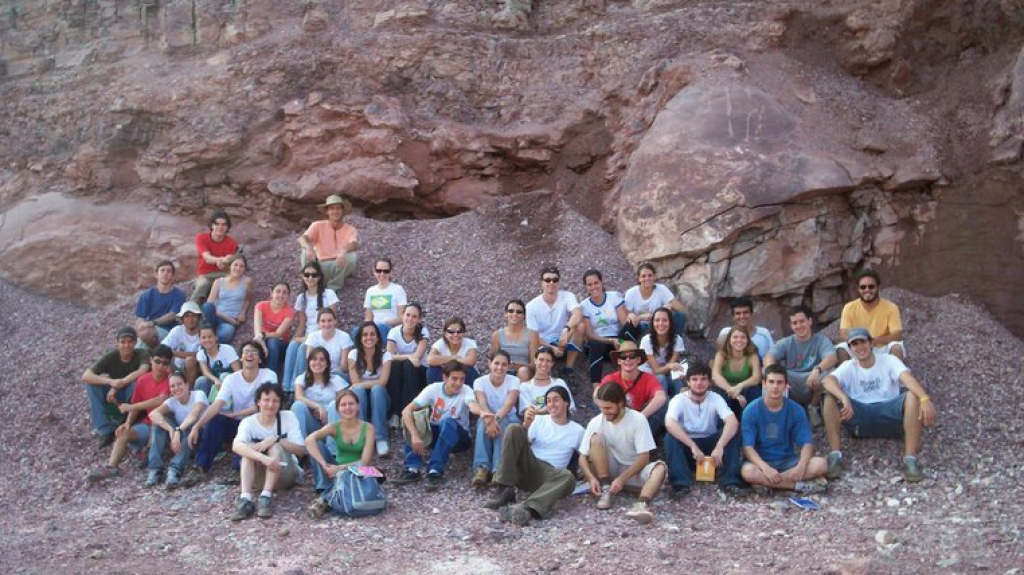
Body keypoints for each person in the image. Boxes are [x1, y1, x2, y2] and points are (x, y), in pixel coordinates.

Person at [820, 328, 937, 483]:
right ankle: (835, 456)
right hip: (860, 416)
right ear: (850, 349)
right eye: (854, 344)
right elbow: (827, 381)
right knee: (829, 397)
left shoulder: (889, 360)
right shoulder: (849, 365)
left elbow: (907, 378)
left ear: (871, 343)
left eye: (863, 342)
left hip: (888, 412)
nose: (860, 347)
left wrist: (924, 398)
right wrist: (844, 398)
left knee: (912, 396)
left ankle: (910, 459)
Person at [484, 386, 584, 526]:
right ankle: (504, 489)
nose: (551, 404)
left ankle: (526, 508)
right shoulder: (540, 420)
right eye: (548, 401)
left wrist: (592, 478)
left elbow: (585, 457)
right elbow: (520, 443)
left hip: (551, 476)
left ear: (566, 402)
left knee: (568, 477)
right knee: (514, 429)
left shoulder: (577, 430)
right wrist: (526, 425)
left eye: (556, 400)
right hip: (530, 465)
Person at [185, 341, 279, 486]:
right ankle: (200, 467)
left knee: (247, 425)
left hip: (259, 424)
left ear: (260, 359)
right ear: (240, 357)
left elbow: (266, 405)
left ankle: (238, 469)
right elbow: (217, 404)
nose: (249, 354)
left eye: (254, 352)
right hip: (237, 423)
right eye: (246, 351)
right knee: (216, 419)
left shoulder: (269, 375)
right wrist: (197, 426)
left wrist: (237, 414)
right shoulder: (231, 379)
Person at [393, 361, 494, 491]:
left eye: (462, 379)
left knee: (448, 421)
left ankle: (435, 469)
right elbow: (406, 411)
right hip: (436, 433)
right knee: (417, 419)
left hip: (459, 438)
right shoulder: (433, 388)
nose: (458, 383)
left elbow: (472, 405)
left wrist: (482, 412)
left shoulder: (466, 390)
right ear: (445, 378)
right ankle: (412, 468)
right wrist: (414, 435)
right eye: (454, 378)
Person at [579, 382, 666, 524]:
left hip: (633, 471)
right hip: (607, 470)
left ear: (620, 403)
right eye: (601, 407)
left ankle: (640, 505)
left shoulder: (638, 419)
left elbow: (644, 457)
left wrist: (622, 479)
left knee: (660, 468)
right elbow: (582, 457)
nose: (604, 411)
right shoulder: (596, 421)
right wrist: (590, 478)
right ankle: (606, 489)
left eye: (608, 408)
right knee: (595, 438)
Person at [86, 345, 172, 486]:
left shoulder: (171, 380)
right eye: (157, 361)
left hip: (165, 425)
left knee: (156, 426)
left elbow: (161, 400)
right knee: (123, 432)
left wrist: (131, 407)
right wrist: (128, 423)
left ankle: (152, 464)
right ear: (151, 360)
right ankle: (111, 467)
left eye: (165, 363)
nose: (160, 366)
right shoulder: (143, 380)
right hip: (146, 424)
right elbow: (136, 403)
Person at [740, 365, 829, 494]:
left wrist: (801, 465)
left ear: (786, 385)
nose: (775, 387)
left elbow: (806, 444)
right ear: (764, 384)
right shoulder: (751, 410)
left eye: (779, 382)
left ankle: (769, 484)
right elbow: (747, 447)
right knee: (747, 472)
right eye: (771, 382)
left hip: (788, 461)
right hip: (761, 462)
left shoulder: (796, 410)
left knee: (820, 464)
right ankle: (798, 486)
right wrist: (765, 468)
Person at [663, 362, 748, 497]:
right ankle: (680, 485)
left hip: (711, 445)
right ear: (688, 382)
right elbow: (669, 423)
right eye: (694, 379)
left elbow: (732, 421)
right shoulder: (678, 400)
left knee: (733, 431)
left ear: (709, 382)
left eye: (703, 379)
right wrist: (692, 446)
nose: (699, 383)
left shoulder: (715, 398)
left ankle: (731, 482)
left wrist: (720, 446)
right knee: (670, 436)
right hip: (688, 447)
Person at [229, 383, 306, 521]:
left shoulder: (288, 417)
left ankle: (266, 496)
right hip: (258, 477)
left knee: (274, 447)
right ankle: (245, 498)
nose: (270, 405)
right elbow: (236, 446)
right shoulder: (248, 422)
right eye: (266, 400)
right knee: (248, 451)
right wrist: (262, 457)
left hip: (285, 473)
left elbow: (301, 451)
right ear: (258, 402)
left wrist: (276, 439)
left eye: (275, 400)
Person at [306, 390, 377, 518]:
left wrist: (339, 469)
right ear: (338, 409)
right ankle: (328, 491)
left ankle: (325, 499)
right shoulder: (334, 426)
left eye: (351, 404)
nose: (347, 408)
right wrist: (324, 464)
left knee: (346, 474)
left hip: (359, 471)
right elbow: (309, 440)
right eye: (343, 405)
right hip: (336, 468)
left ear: (358, 406)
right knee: (318, 446)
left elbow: (364, 461)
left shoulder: (369, 428)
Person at [763, 305, 837, 419]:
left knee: (830, 375)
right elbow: (769, 356)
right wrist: (772, 370)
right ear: (791, 326)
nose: (799, 326)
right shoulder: (786, 342)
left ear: (810, 321)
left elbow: (832, 357)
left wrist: (817, 370)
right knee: (767, 373)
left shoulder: (821, 340)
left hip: (813, 382)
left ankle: (813, 408)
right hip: (792, 383)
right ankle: (774, 414)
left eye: (802, 321)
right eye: (795, 323)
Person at [82, 326, 151, 447]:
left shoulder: (141, 353)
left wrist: (118, 384)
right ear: (117, 344)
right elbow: (86, 376)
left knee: (137, 383)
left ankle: (127, 420)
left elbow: (143, 370)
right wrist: (109, 382)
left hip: (132, 394)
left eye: (130, 342)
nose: (126, 345)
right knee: (91, 385)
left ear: (135, 343)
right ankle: (105, 430)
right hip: (116, 396)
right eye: (123, 342)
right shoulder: (110, 356)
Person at [282, 261, 340, 394]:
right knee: (292, 345)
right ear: (302, 276)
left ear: (319, 277)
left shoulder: (328, 294)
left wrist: (306, 338)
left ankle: (295, 388)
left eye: (313, 275)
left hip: (323, 334)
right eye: (306, 275)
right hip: (307, 335)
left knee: (303, 347)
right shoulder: (301, 298)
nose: (310, 278)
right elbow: (302, 324)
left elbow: (332, 320)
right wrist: (296, 337)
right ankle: (286, 388)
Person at [147, 371, 208, 489]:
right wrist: (171, 430)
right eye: (172, 386)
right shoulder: (171, 402)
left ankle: (174, 469)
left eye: (179, 384)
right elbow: (153, 414)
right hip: (182, 437)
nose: (176, 388)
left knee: (190, 427)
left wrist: (178, 430)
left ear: (187, 384)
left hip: (200, 437)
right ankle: (155, 468)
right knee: (158, 423)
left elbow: (194, 415)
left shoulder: (198, 395)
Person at [568, 269, 628, 385]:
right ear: (586, 287)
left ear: (601, 282)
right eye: (589, 284)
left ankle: (625, 381)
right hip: (598, 342)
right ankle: (596, 386)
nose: (593, 287)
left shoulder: (614, 297)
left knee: (629, 333)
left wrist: (619, 340)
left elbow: (624, 323)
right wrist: (610, 340)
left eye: (596, 283)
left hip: (616, 339)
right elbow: (590, 335)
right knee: (596, 345)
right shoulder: (584, 306)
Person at [471, 351, 521, 486]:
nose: (500, 367)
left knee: (503, 422)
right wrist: (490, 420)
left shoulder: (514, 381)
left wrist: (495, 420)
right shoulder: (479, 382)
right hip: (487, 417)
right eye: (496, 363)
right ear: (489, 364)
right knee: (482, 422)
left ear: (509, 366)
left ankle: (498, 470)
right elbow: (482, 403)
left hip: (509, 418)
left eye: (504, 364)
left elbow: (509, 404)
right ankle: (481, 468)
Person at [599, 341, 668, 437]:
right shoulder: (611, 378)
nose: (628, 359)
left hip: (640, 420)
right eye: (623, 356)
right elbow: (596, 395)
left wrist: (640, 417)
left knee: (663, 404)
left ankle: (644, 439)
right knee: (600, 402)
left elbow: (661, 397)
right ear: (619, 361)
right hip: (618, 418)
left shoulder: (648, 378)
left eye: (632, 356)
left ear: (638, 360)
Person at [836, 270, 906, 362]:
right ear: (858, 289)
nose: (867, 290)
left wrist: (875, 341)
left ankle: (896, 375)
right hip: (858, 346)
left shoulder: (891, 307)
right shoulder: (849, 307)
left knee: (896, 347)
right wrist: (861, 342)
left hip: (881, 347)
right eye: (863, 287)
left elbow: (897, 335)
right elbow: (844, 334)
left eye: (871, 287)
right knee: (841, 348)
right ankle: (845, 375)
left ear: (878, 288)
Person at [525, 265, 581, 378]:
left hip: (563, 339)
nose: (551, 283)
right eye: (547, 280)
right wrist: (551, 347)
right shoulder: (531, 306)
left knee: (581, 325)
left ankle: (568, 369)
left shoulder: (567, 296)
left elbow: (578, 313)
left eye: (555, 280)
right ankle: (541, 376)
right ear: (541, 282)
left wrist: (566, 328)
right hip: (543, 343)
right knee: (532, 342)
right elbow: (533, 335)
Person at [348, 322, 393, 456]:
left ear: (378, 337)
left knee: (377, 389)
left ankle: (380, 438)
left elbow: (383, 381)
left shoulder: (386, 355)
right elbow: (355, 382)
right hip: (360, 401)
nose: (369, 338)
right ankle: (360, 436)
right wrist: (361, 385)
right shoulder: (353, 355)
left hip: (381, 401)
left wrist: (361, 384)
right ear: (360, 338)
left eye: (372, 334)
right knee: (359, 391)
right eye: (365, 335)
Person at [298, 194, 359, 291]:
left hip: (337, 266)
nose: (335, 211)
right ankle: (312, 283)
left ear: (342, 211)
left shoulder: (350, 229)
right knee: (304, 252)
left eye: (338, 208)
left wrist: (344, 251)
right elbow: (302, 238)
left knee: (352, 256)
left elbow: (354, 244)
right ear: (327, 211)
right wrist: (308, 248)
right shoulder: (317, 225)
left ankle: (333, 288)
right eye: (332, 208)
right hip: (319, 266)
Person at [386, 302, 429, 427]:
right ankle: (395, 414)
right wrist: (409, 356)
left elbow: (418, 358)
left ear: (419, 319)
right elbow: (389, 356)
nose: (410, 319)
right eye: (407, 315)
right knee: (395, 365)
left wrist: (409, 358)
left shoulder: (423, 332)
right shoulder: (394, 332)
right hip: (399, 371)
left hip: (419, 372)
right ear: (402, 315)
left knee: (407, 366)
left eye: (414, 316)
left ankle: (406, 414)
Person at [291, 346, 349, 439]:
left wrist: (326, 412)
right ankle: (301, 445)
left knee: (334, 405)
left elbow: (343, 403)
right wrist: (317, 406)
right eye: (314, 359)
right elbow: (298, 397)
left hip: (332, 422)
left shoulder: (336, 380)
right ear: (309, 362)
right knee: (297, 405)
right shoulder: (301, 379)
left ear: (327, 364)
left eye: (322, 360)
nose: (317, 362)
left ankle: (333, 448)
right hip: (313, 422)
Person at [624, 262, 690, 335]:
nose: (647, 278)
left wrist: (668, 308)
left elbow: (681, 310)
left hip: (660, 324)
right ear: (639, 278)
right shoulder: (631, 293)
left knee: (680, 316)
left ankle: (676, 341)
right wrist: (641, 317)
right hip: (641, 326)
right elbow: (625, 319)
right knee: (641, 327)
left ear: (654, 276)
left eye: (650, 275)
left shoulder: (661, 289)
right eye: (643, 276)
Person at [712, 326, 763, 420]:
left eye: (743, 337)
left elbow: (757, 377)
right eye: (735, 337)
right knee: (719, 393)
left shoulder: (752, 356)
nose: (739, 340)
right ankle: (724, 425)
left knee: (754, 389)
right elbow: (716, 376)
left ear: (747, 340)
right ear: (729, 340)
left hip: (745, 392)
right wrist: (734, 393)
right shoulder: (721, 355)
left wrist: (740, 386)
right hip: (727, 391)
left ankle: (751, 422)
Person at [191, 209, 240, 302]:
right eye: (217, 224)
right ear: (212, 225)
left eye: (223, 224)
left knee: (235, 285)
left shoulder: (231, 243)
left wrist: (225, 263)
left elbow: (228, 265)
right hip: (205, 274)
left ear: (227, 227)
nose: (220, 227)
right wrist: (221, 259)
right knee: (202, 285)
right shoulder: (201, 238)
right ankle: (190, 310)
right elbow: (207, 258)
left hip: (223, 275)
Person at [200, 255, 251, 344]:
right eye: (235, 265)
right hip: (216, 316)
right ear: (230, 266)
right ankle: (206, 335)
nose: (238, 268)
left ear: (244, 269)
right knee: (207, 307)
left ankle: (210, 343)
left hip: (228, 322)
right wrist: (230, 319)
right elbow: (210, 304)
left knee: (226, 333)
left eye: (241, 266)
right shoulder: (219, 281)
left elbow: (247, 299)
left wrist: (243, 312)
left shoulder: (247, 282)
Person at [640, 307, 687, 396]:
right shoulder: (646, 340)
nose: (661, 324)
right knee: (661, 378)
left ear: (670, 323)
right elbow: (657, 371)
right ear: (652, 323)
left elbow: (672, 366)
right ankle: (663, 408)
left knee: (677, 381)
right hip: (649, 375)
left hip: (666, 373)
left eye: (665, 320)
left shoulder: (677, 339)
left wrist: (679, 371)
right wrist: (670, 366)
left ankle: (680, 406)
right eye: (657, 320)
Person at [135, 260, 187, 339]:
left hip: (169, 331)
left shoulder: (179, 295)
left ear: (173, 276)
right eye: (162, 270)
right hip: (148, 329)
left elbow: (172, 315)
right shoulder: (147, 295)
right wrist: (141, 326)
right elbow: (140, 318)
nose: (165, 273)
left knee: (147, 335)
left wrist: (153, 323)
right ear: (156, 275)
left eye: (168, 271)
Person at [253, 282, 295, 377]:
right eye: (278, 291)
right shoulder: (261, 306)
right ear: (271, 293)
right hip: (262, 340)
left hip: (280, 345)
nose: (281, 295)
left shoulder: (289, 312)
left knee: (272, 342)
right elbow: (257, 328)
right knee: (251, 347)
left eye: (284, 292)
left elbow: (278, 333)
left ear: (288, 296)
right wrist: (262, 344)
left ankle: (271, 378)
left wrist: (262, 335)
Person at [491, 299, 540, 382]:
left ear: (524, 316)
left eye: (519, 312)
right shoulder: (497, 335)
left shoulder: (532, 335)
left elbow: (535, 364)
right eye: (511, 311)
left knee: (522, 371)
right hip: (503, 370)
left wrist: (518, 366)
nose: (515, 314)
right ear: (505, 314)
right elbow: (492, 361)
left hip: (524, 372)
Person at [517, 346, 576, 415]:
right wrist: (550, 409)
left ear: (552, 363)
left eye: (548, 361)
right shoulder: (525, 387)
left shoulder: (559, 383)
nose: (544, 364)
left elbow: (571, 409)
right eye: (541, 360)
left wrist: (542, 411)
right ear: (535, 360)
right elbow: (527, 413)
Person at [361, 257, 407, 343]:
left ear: (391, 272)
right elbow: (368, 317)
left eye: (386, 271)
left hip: (392, 328)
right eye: (379, 271)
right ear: (374, 272)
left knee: (380, 328)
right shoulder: (370, 291)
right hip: (374, 328)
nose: (382, 274)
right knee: (357, 332)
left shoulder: (398, 290)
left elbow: (402, 317)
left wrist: (384, 323)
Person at [426, 317, 479, 385]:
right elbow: (430, 360)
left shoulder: (469, 343)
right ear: (445, 333)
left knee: (469, 370)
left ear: (464, 333)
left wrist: (444, 361)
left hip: (465, 377)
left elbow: (471, 361)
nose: (455, 335)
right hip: (446, 376)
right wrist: (454, 358)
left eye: (459, 331)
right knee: (433, 370)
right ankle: (436, 393)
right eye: (451, 332)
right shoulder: (440, 343)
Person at [161, 301, 204, 385]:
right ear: (182, 319)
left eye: (193, 316)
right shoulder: (177, 330)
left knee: (190, 360)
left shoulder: (203, 332)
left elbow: (199, 354)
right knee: (161, 359)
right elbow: (163, 348)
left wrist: (174, 353)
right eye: (187, 316)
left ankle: (189, 389)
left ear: (198, 317)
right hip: (177, 367)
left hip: (198, 369)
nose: (191, 320)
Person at [194, 324, 240, 401]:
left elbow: (238, 371)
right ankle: (201, 406)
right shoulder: (201, 354)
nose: (207, 340)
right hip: (214, 383)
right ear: (200, 340)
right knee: (201, 381)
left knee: (224, 376)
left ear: (216, 337)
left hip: (230, 384)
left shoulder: (227, 349)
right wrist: (216, 380)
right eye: (203, 338)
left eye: (210, 337)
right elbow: (205, 372)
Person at [305, 308, 353, 378]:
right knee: (302, 348)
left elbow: (344, 367)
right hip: (317, 372)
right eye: (323, 321)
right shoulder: (313, 336)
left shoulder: (344, 337)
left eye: (330, 320)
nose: (326, 324)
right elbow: (309, 361)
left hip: (337, 374)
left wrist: (327, 375)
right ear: (318, 323)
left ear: (335, 321)